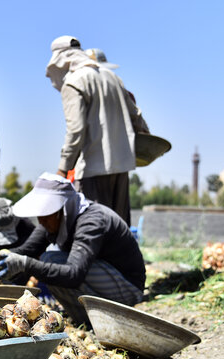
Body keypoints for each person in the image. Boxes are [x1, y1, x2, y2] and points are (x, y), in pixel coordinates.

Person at [0, 173, 146, 325]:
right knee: (48, 262)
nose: (41, 221)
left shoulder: (91, 221)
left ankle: (91, 321)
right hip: (104, 278)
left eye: (46, 214)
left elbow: (74, 274)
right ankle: (84, 318)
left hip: (128, 289)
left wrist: (25, 264)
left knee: (50, 260)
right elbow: (28, 249)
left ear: (62, 209)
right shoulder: (53, 219)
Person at [46, 35, 149, 226]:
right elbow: (135, 116)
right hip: (121, 166)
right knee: (119, 229)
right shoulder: (112, 77)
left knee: (93, 228)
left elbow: (76, 130)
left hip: (93, 167)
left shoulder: (74, 81)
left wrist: (63, 169)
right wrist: (146, 143)